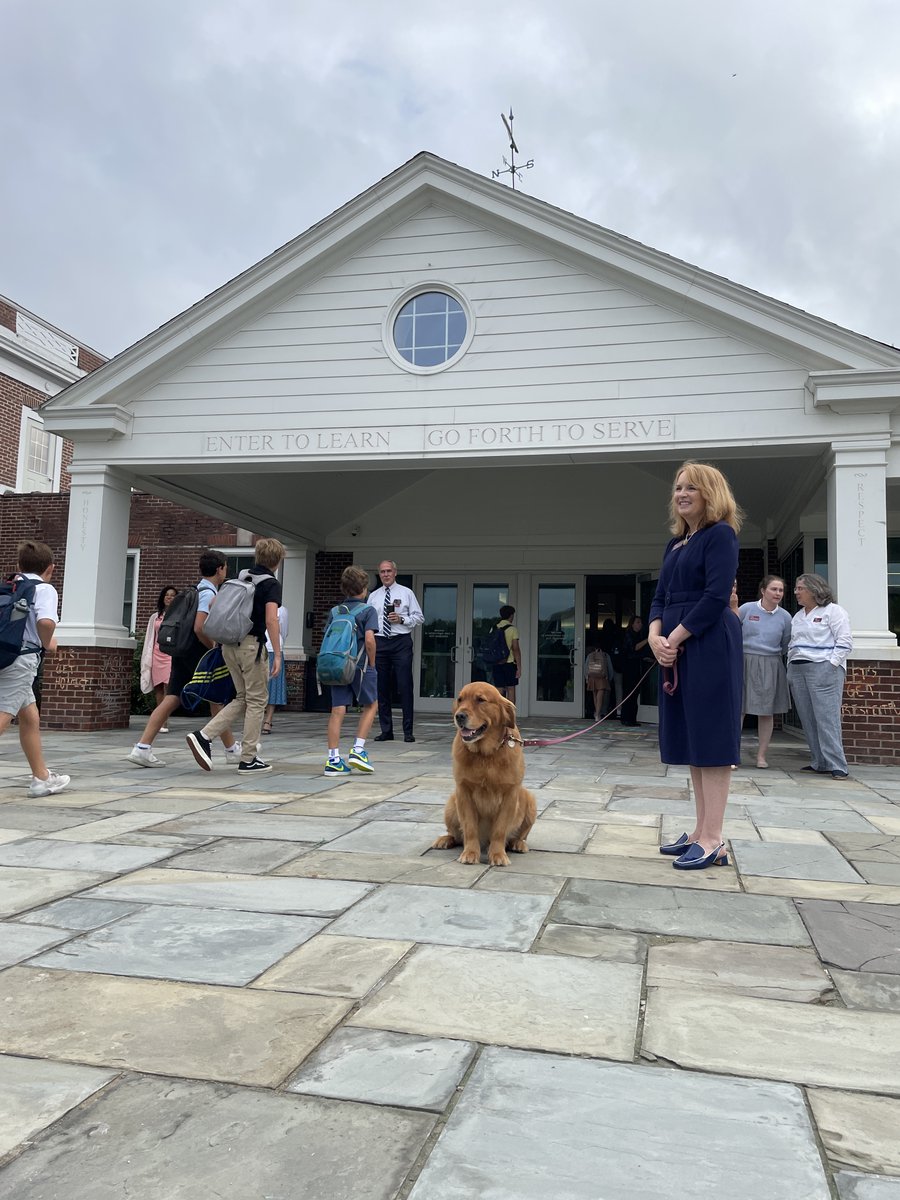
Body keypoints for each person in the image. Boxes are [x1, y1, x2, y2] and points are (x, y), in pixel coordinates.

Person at [648, 461, 743, 870]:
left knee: (712, 737)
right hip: (675, 645)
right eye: (678, 488)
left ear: (710, 493)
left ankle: (714, 838)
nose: (681, 493)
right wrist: (655, 638)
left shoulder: (720, 535)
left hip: (708, 644)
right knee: (691, 736)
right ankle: (700, 828)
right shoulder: (675, 545)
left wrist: (676, 637)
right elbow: (659, 598)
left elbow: (716, 595)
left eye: (691, 487)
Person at [128, 551, 238, 766]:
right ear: (220, 569)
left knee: (173, 697)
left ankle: (142, 747)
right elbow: (199, 626)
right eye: (225, 567)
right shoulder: (208, 592)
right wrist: (214, 647)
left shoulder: (196, 589)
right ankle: (232, 750)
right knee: (215, 699)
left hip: (182, 651)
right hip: (198, 654)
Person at [187, 538, 284, 774]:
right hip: (252, 647)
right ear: (278, 560)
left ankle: (203, 736)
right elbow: (271, 618)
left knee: (242, 697)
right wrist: (278, 654)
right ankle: (248, 758)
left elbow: (213, 602)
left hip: (229, 645)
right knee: (257, 701)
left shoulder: (241, 577)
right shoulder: (271, 584)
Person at [0, 540, 69, 797]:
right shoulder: (45, 589)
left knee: (30, 718)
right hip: (22, 659)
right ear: (50, 568)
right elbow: (47, 621)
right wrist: (48, 643)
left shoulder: (10, 585)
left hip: (3, 654)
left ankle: (41, 778)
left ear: (18, 565)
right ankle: (41, 778)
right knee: (4, 715)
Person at [787, 573, 853, 779]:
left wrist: (831, 665)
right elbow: (792, 643)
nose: (796, 592)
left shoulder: (834, 611)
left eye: (800, 588)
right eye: (796, 588)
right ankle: (819, 761)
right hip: (798, 670)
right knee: (808, 718)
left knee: (827, 718)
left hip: (823, 668)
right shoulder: (798, 616)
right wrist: (790, 667)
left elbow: (845, 642)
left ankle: (837, 764)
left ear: (814, 590)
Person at [323, 565, 378, 776]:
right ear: (364, 588)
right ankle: (358, 750)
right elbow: (370, 640)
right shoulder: (367, 610)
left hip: (337, 665)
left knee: (337, 710)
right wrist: (372, 664)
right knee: (371, 704)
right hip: (360, 665)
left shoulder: (335, 611)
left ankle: (333, 760)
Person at [738, 575, 792, 769]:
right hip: (744, 661)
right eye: (774, 589)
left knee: (766, 712)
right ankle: (732, 755)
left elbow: (785, 644)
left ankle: (761, 756)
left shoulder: (785, 617)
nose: (778, 593)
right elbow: (734, 632)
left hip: (771, 663)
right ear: (763, 590)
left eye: (781, 590)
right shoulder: (746, 609)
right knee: (739, 709)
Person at [368, 559, 423, 742]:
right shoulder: (373, 596)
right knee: (381, 687)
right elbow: (369, 621)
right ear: (379, 573)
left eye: (389, 571)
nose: (386, 574)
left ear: (395, 572)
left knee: (404, 685)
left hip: (401, 642)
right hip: (380, 642)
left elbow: (419, 617)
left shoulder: (406, 593)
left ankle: (408, 731)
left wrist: (402, 619)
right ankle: (386, 730)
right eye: (382, 571)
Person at [139, 584, 177, 731]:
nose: (169, 597)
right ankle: (161, 722)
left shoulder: (178, 615)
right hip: (156, 654)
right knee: (159, 688)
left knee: (169, 687)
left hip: (170, 654)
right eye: (167, 595)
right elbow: (150, 636)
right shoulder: (155, 617)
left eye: (172, 595)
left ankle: (164, 719)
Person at [262, 604, 289, 734]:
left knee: (271, 685)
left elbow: (283, 631)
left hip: (271, 648)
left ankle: (267, 720)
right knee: (267, 685)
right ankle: (265, 721)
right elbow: (283, 632)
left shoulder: (281, 610)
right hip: (263, 648)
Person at [619, 615, 649, 726]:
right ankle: (626, 718)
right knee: (629, 692)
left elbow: (640, 652)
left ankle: (632, 719)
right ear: (632, 624)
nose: (640, 624)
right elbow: (634, 648)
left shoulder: (639, 635)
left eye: (640, 622)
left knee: (635, 693)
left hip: (637, 666)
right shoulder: (629, 635)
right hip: (629, 668)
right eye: (638, 622)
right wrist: (647, 640)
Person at [491, 605, 522, 704]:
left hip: (497, 662)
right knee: (511, 689)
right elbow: (515, 648)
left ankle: (500, 714)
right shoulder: (512, 629)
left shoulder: (494, 628)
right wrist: (519, 667)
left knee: (499, 689)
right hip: (509, 663)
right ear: (511, 615)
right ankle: (510, 714)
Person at [598, 618, 624, 716]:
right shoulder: (617, 636)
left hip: (605, 663)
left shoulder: (602, 636)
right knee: (618, 686)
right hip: (617, 662)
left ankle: (603, 710)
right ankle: (619, 710)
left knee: (605, 687)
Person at [583, 645, 611, 720]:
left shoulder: (590, 655)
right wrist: (609, 678)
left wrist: (586, 677)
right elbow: (609, 667)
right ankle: (598, 713)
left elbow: (586, 667)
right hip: (602, 677)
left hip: (592, 677)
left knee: (595, 695)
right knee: (600, 696)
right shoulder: (605, 655)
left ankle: (597, 713)